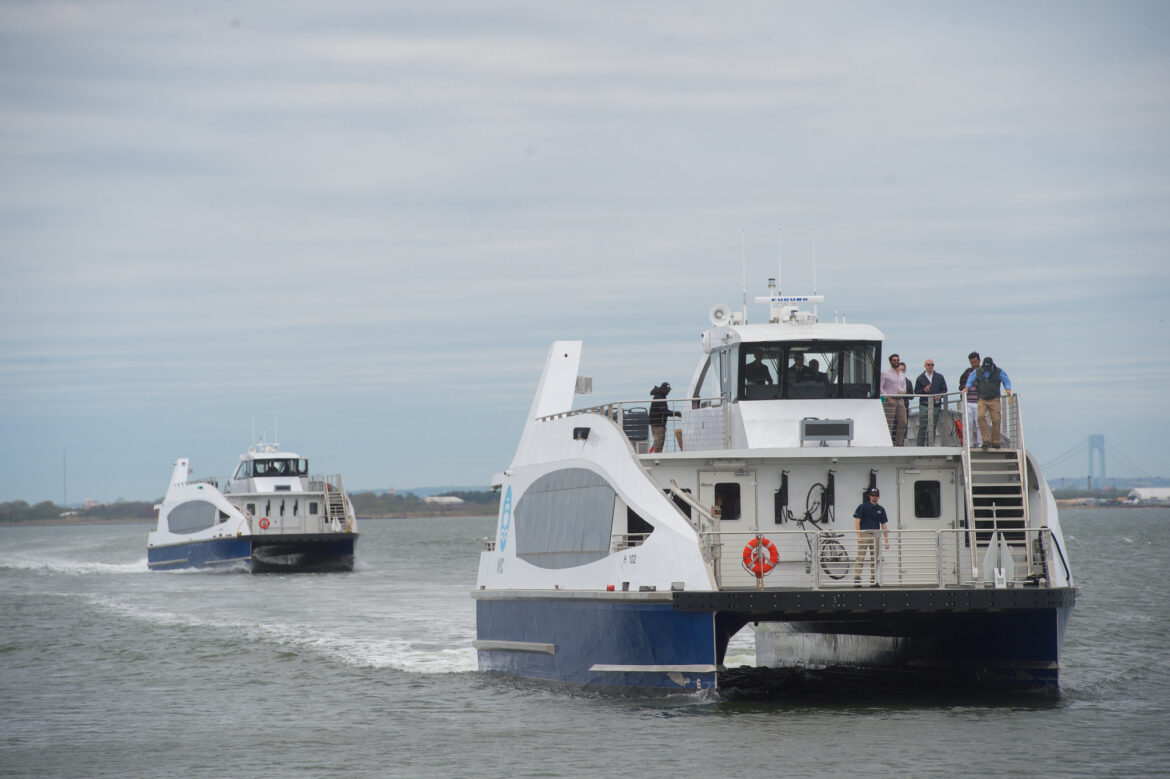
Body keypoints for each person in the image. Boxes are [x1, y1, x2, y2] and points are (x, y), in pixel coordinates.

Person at [965, 357, 1012, 449]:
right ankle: (985, 441)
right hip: (982, 398)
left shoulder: (998, 371)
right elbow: (971, 379)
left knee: (996, 420)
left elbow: (1006, 380)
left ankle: (995, 442)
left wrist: (1008, 389)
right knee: (981, 417)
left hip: (994, 399)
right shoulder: (978, 371)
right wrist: (967, 387)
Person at [852, 487, 889, 587]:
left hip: (876, 534)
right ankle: (857, 579)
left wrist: (886, 541)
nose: (874, 497)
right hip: (865, 533)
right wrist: (859, 535)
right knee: (861, 556)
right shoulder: (863, 507)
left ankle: (873, 580)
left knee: (874, 558)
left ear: (879, 497)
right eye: (872, 495)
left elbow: (884, 524)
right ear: (869, 496)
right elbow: (857, 521)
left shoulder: (881, 509)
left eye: (876, 495)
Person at [914, 358, 948, 446]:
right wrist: (924, 390)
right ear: (925, 366)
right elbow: (916, 392)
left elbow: (944, 389)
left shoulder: (939, 377)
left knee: (932, 426)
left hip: (935, 404)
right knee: (923, 425)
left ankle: (930, 445)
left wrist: (940, 395)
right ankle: (920, 447)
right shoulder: (920, 378)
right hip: (924, 404)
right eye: (928, 364)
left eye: (932, 365)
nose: (930, 366)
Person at [879, 354, 906, 445]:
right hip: (890, 400)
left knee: (903, 422)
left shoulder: (902, 374)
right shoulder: (885, 374)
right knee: (889, 423)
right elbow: (879, 387)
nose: (896, 362)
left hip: (900, 400)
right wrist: (887, 397)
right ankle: (888, 444)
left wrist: (903, 392)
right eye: (894, 360)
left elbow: (903, 387)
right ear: (890, 361)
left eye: (897, 360)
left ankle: (899, 444)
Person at [957, 352, 983, 448]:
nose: (973, 364)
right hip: (968, 401)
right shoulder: (967, 372)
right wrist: (967, 386)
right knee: (969, 424)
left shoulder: (984, 372)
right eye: (972, 362)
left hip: (979, 401)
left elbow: (987, 386)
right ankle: (970, 444)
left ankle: (981, 443)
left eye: (975, 362)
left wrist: (978, 384)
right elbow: (960, 385)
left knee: (979, 424)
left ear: (979, 361)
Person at [648, 382, 681, 453]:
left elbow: (664, 411)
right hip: (657, 424)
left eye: (669, 390)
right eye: (667, 390)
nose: (668, 392)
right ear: (663, 390)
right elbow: (664, 411)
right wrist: (677, 413)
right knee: (658, 442)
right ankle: (656, 458)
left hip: (658, 424)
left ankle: (657, 456)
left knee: (659, 442)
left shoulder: (661, 395)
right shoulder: (659, 397)